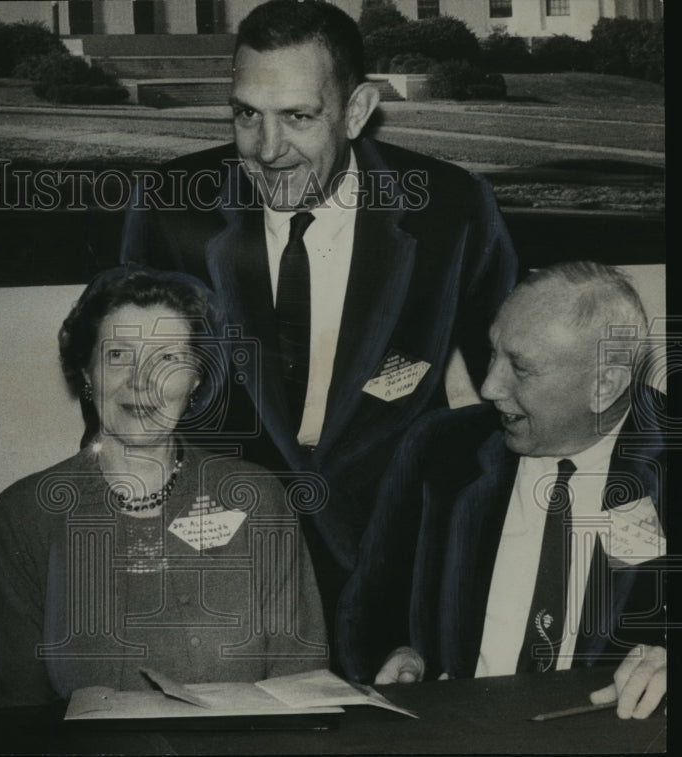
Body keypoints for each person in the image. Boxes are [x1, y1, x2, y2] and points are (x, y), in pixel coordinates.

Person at [120, 0, 517, 610]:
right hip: (219, 559)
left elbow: (503, 393)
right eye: (246, 113)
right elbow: (126, 402)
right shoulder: (171, 210)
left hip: (399, 559)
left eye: (298, 117)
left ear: (356, 111)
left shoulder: (450, 209)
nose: (266, 148)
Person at [0, 266, 327, 709]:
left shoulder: (258, 498)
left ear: (197, 379)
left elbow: (301, 682)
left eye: (166, 359)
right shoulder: (26, 516)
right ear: (86, 373)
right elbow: (16, 720)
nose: (141, 381)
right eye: (118, 355)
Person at [337, 262, 666, 719]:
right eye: (493, 353)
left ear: (605, 385)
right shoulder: (441, 449)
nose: (490, 386)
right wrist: (397, 655)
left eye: (521, 367)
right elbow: (369, 604)